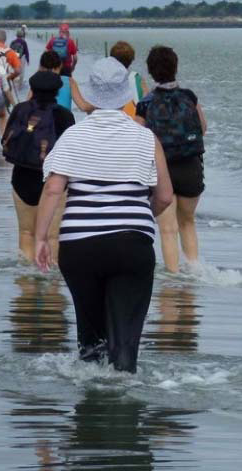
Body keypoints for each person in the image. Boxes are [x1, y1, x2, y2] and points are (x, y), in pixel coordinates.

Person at [34, 57, 173, 373]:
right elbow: (165, 196)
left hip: (79, 246)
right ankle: (123, 389)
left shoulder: (74, 135)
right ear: (126, 93)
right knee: (125, 339)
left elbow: (54, 189)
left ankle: (91, 402)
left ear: (91, 94)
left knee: (90, 333)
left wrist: (42, 237)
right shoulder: (145, 138)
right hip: (132, 244)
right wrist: (138, 217)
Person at [135, 46, 206, 274]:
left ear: (151, 71)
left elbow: (138, 138)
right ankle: (194, 272)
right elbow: (203, 128)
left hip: (160, 169)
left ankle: (174, 278)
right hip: (190, 166)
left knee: (167, 229)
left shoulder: (145, 103)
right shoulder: (189, 97)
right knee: (187, 222)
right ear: (176, 67)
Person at [3, 71, 76, 262]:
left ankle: (27, 286)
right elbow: (71, 152)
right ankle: (52, 287)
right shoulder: (64, 116)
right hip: (55, 179)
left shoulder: (20, 110)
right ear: (57, 91)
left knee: (26, 233)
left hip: (21, 178)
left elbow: (6, 140)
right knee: (52, 236)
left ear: (32, 89)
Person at [109, 41, 150, 117]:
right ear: (131, 60)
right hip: (133, 122)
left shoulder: (104, 80)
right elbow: (146, 102)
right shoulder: (138, 79)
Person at [10, 27, 31, 101]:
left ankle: (14, 85)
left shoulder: (13, 42)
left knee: (15, 71)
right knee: (21, 72)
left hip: (14, 58)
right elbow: (26, 51)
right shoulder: (23, 42)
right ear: (22, 35)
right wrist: (28, 60)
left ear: (16, 35)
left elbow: (9, 51)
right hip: (22, 58)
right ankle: (20, 86)